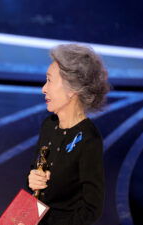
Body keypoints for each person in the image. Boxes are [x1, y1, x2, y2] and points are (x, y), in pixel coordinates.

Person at [27, 44, 109, 225]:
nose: (43, 89)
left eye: (49, 80)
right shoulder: (48, 125)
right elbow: (35, 185)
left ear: (72, 89)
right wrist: (32, 179)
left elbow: (91, 209)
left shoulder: (89, 139)